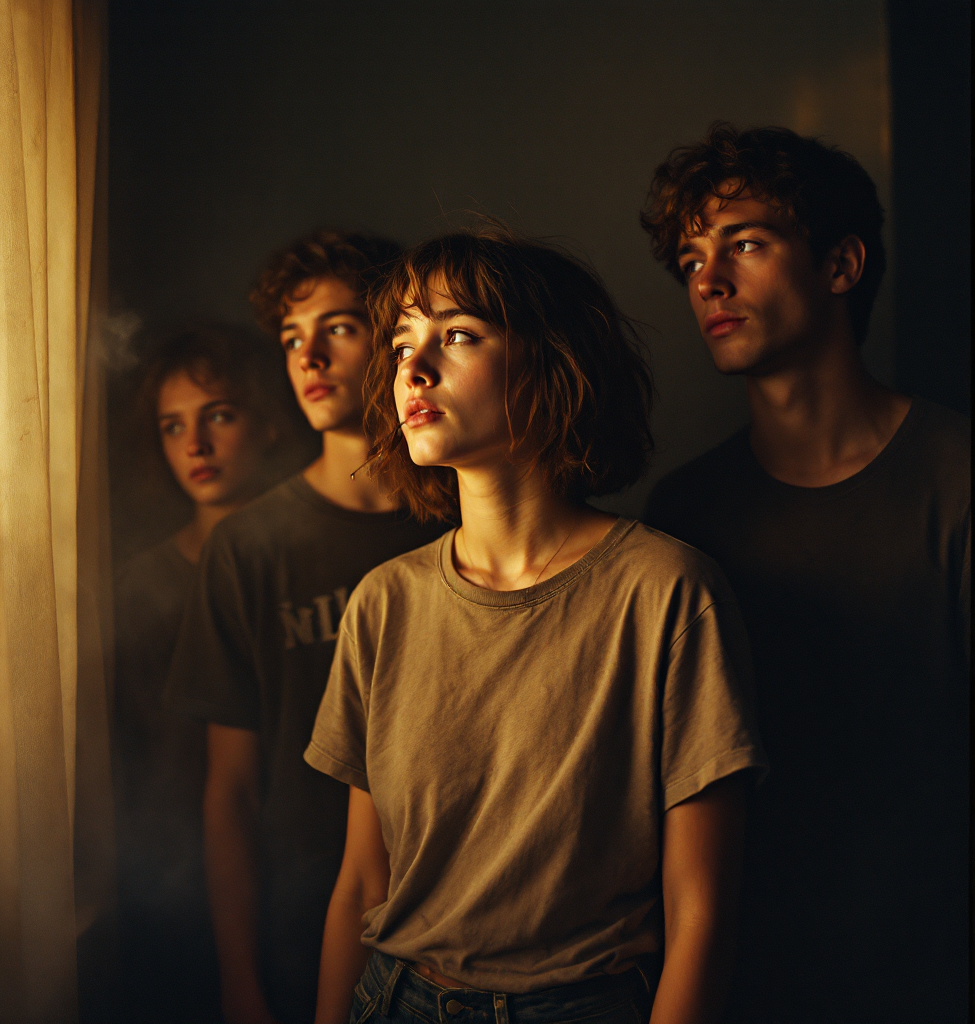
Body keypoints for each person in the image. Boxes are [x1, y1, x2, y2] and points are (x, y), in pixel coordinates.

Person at [305, 228, 768, 1024]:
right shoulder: (384, 603)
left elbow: (700, 911)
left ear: (554, 361)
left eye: (456, 335)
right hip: (394, 1000)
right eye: (401, 344)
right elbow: (360, 885)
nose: (412, 368)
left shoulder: (666, 593)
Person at [640, 123, 970, 1022]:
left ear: (840, 265)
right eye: (691, 257)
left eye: (743, 243)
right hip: (746, 973)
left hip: (934, 971)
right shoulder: (683, 517)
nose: (707, 278)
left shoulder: (956, 476)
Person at [164, 231, 443, 1024]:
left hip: (449, 926)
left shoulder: (461, 517)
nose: (309, 357)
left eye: (340, 328)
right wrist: (241, 979)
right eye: (292, 338)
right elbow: (231, 789)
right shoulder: (248, 546)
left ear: (393, 339)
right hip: (298, 923)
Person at [114, 323, 293, 1023]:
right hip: (171, 882)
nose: (195, 445)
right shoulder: (136, 587)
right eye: (172, 426)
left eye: (218, 414)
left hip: (307, 871)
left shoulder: (308, 561)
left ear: (268, 422)